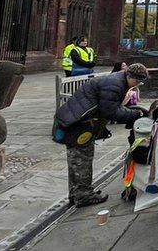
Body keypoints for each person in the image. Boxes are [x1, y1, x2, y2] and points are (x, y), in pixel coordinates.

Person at [54, 63, 149, 207]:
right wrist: (134, 114)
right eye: (136, 81)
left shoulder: (117, 81)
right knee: (82, 159)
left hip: (77, 120)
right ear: (129, 76)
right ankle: (84, 196)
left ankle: (77, 193)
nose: (136, 85)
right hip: (79, 124)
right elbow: (110, 111)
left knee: (76, 160)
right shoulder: (115, 85)